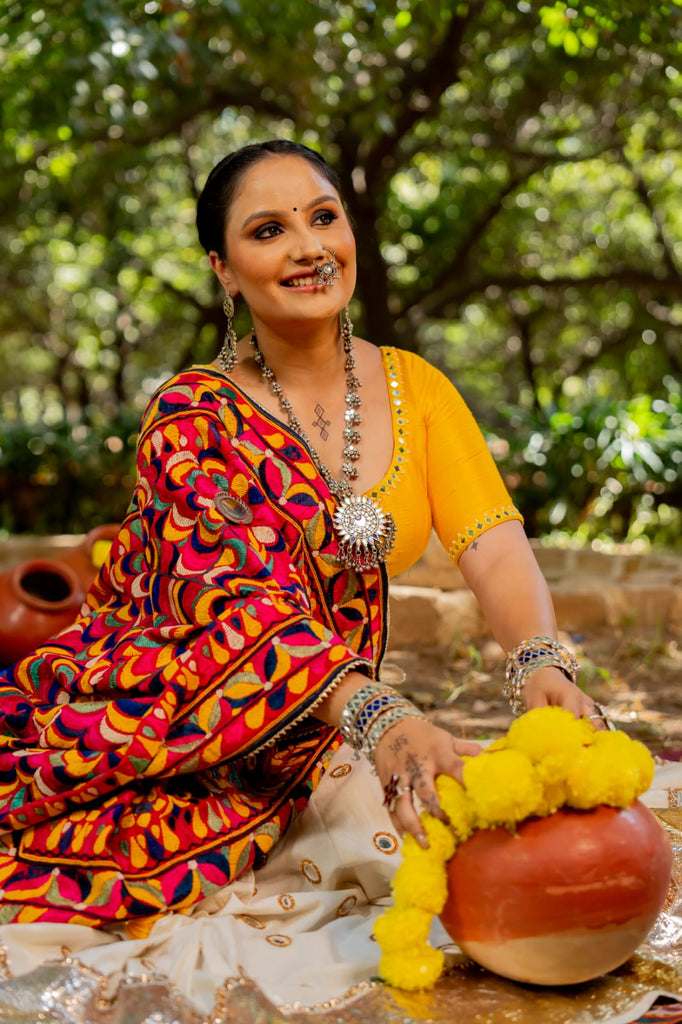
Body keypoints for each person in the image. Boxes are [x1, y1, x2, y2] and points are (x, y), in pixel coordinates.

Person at [0, 139, 608, 1014]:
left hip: (332, 725)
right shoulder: (189, 418)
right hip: (178, 725)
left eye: (324, 216)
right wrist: (381, 718)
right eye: (269, 229)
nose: (309, 246)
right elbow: (231, 605)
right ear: (224, 269)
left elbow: (493, 542)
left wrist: (541, 666)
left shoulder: (418, 390)